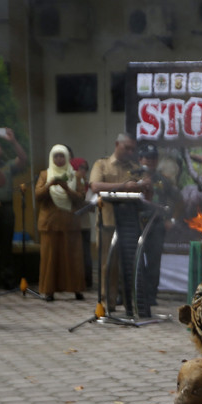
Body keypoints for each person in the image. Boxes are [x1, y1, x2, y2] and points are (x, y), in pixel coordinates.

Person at [90, 133, 141, 311]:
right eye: (127, 148)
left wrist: (143, 185)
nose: (130, 152)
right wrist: (122, 187)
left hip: (129, 224)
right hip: (108, 221)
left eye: (133, 149)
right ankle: (107, 304)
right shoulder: (101, 164)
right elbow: (95, 186)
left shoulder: (135, 168)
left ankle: (130, 305)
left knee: (128, 265)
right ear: (116, 144)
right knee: (108, 266)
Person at [33, 145, 86, 301]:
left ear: (67, 158)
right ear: (51, 158)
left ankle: (77, 289)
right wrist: (49, 185)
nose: (59, 159)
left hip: (70, 223)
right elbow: (38, 196)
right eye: (56, 156)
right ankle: (49, 291)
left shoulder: (75, 176)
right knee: (50, 259)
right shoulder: (45, 174)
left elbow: (81, 198)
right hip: (50, 223)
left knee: (73, 258)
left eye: (62, 156)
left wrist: (66, 189)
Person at [136, 143, 181, 306]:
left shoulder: (163, 180)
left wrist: (172, 219)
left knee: (154, 262)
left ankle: (150, 296)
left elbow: (177, 200)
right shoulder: (132, 177)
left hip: (156, 224)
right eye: (146, 158)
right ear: (140, 159)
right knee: (134, 261)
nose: (149, 161)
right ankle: (130, 294)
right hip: (136, 225)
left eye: (153, 158)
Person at [0, 128, 28, 289]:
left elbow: (23, 159)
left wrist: (14, 141)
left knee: (6, 245)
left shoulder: (8, 166)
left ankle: (7, 281)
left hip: (6, 209)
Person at [70, 157, 95, 289]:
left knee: (85, 254)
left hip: (84, 224)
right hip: (70, 224)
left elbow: (92, 206)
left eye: (85, 168)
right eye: (81, 167)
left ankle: (87, 281)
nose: (83, 171)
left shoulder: (88, 185)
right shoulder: (69, 183)